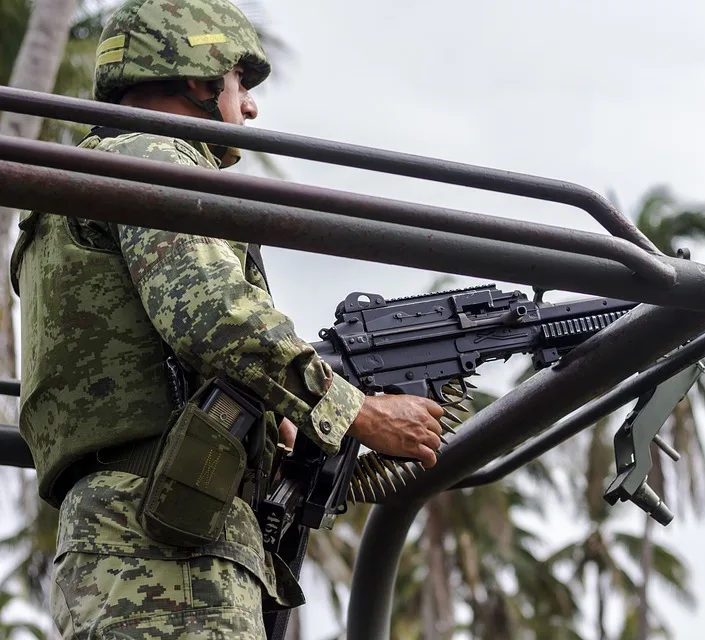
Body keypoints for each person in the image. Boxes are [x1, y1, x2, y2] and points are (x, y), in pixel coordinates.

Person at [9, 0, 445, 637]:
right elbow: (214, 316)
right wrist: (357, 411)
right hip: (169, 550)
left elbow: (139, 353)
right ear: (198, 78)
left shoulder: (79, 181)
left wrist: (271, 421)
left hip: (124, 532)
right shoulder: (153, 156)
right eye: (242, 83)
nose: (251, 108)